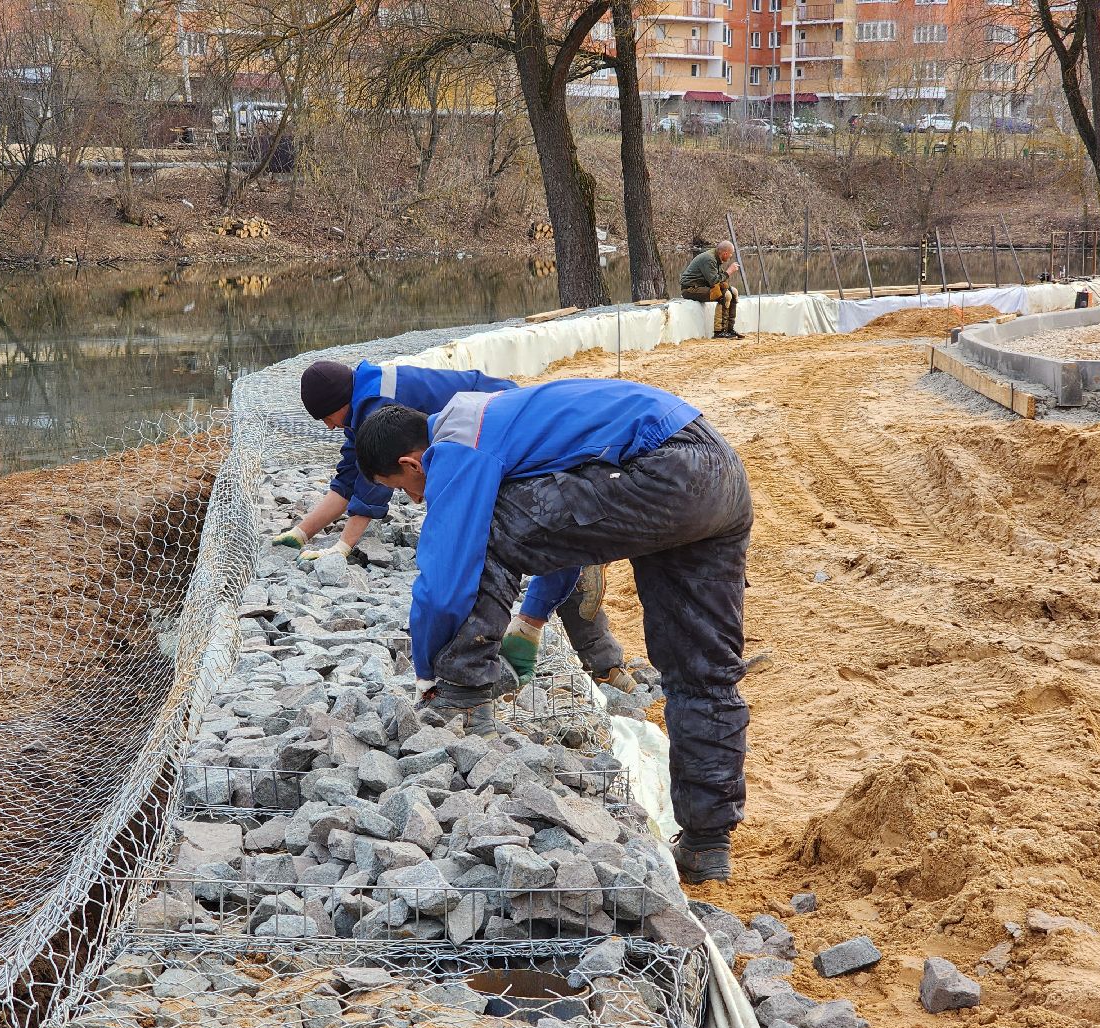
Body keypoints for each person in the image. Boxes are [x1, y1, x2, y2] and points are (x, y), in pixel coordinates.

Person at [353, 381, 753, 885]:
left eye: (403, 491)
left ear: (413, 465)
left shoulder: (455, 445)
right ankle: (706, 845)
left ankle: (465, 698)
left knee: (480, 529)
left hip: (663, 465)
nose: (415, 499)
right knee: (703, 671)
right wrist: (533, 619)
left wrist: (432, 672)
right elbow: (570, 534)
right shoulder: (503, 418)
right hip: (718, 474)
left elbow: (446, 577)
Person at [272, 359, 639, 692]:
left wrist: (344, 546)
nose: (329, 426)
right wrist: (302, 531)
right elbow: (353, 477)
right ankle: (596, 658)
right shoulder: (366, 399)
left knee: (506, 544)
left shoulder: (380, 413)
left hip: (505, 436)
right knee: (553, 535)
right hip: (518, 423)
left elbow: (374, 497)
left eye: (326, 417)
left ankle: (595, 659)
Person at [680, 240, 744, 340]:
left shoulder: (716, 258)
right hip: (690, 289)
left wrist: (725, 283)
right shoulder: (709, 259)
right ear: (725, 253)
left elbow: (718, 279)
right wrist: (729, 271)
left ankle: (729, 329)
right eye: (730, 255)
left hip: (702, 286)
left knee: (733, 292)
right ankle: (719, 332)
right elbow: (714, 281)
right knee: (723, 295)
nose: (730, 257)